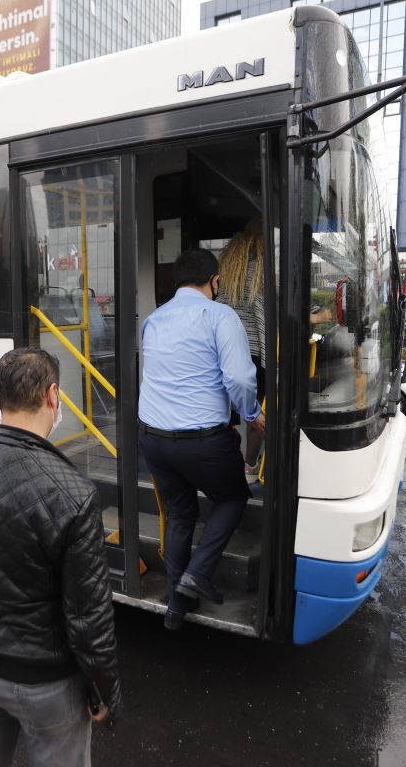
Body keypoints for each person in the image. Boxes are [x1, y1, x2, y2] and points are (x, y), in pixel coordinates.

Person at [0, 347, 121, 767]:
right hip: (46, 684)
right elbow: (88, 616)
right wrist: (104, 691)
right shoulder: (75, 493)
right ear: (53, 396)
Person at [139, 249, 265, 631]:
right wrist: (251, 415)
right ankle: (197, 574)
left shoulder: (154, 319)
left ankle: (176, 606)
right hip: (203, 441)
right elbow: (239, 378)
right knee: (233, 497)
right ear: (215, 281)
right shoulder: (220, 316)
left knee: (180, 514)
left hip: (153, 438)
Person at [216, 219, 267, 481]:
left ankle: (226, 462)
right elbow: (262, 316)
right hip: (253, 352)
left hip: (225, 349)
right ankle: (249, 466)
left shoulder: (227, 270)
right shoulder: (260, 270)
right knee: (256, 415)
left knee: (227, 412)